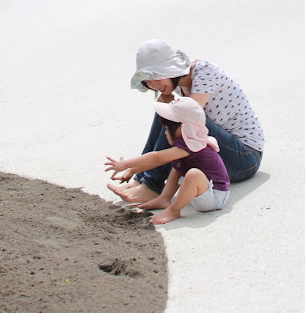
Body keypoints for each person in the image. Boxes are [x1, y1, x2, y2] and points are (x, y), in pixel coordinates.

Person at [108, 39, 264, 204]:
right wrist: (138, 166)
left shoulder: (205, 72)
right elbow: (165, 114)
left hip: (246, 158)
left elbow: (188, 123)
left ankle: (152, 185)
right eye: (148, 80)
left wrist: (139, 164)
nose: (153, 85)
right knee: (166, 111)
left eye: (156, 76)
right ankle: (144, 180)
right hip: (219, 152)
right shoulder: (180, 82)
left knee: (178, 116)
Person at [105, 97, 230, 224]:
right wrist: (133, 169)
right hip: (202, 192)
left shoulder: (191, 145)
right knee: (178, 165)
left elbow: (157, 157)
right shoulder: (188, 144)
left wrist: (125, 164)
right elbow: (156, 161)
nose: (165, 133)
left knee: (193, 173)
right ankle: (164, 198)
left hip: (215, 196)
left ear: (183, 128)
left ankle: (174, 210)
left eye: (167, 128)